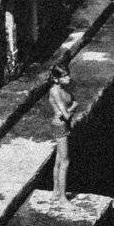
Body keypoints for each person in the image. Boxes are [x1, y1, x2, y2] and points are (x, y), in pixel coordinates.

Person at [50, 66, 75, 199]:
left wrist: (71, 107)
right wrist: (72, 108)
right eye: (64, 76)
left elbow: (73, 102)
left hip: (64, 125)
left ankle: (55, 192)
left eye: (68, 75)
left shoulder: (64, 88)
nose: (68, 78)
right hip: (60, 127)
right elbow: (66, 115)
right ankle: (63, 199)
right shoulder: (55, 91)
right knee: (65, 162)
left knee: (59, 160)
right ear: (56, 79)